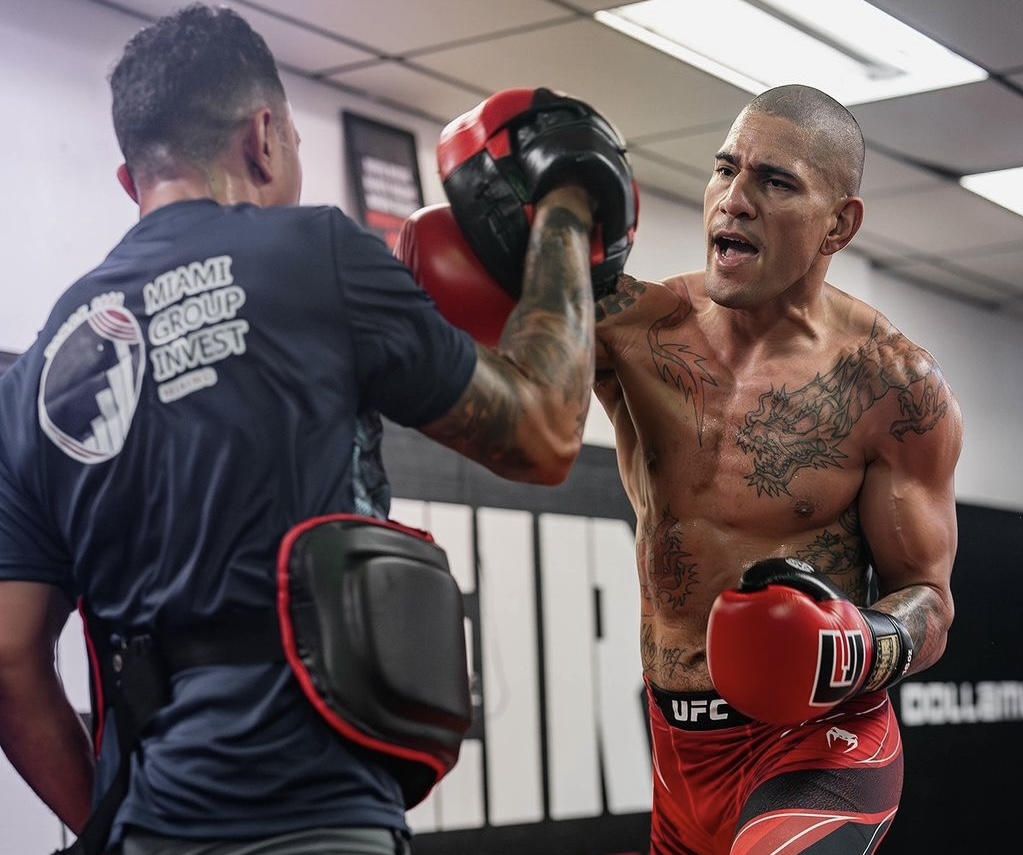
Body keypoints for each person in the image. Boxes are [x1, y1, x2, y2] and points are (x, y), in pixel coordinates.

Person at [0, 3, 624, 853]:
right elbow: (548, 431)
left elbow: (9, 660)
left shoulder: (38, 372)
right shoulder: (315, 254)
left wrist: (114, 830)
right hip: (313, 814)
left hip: (149, 822)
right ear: (265, 136)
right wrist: (567, 204)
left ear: (130, 180)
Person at [590, 84, 964, 854]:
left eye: (775, 180)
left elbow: (929, 603)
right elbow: (493, 402)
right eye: (726, 169)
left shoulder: (890, 385)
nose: (735, 199)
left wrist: (856, 643)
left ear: (840, 223)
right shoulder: (637, 333)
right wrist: (536, 237)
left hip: (817, 744)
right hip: (678, 752)